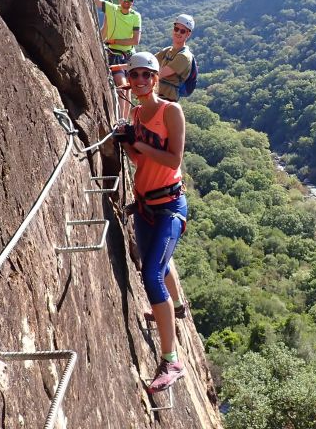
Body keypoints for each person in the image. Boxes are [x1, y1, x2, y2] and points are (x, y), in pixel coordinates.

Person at [114, 52, 188, 394]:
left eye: (146, 75)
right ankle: (175, 307)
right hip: (145, 206)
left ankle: (171, 360)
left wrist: (139, 140)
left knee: (151, 273)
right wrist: (128, 143)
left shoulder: (170, 112)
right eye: (135, 75)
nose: (141, 80)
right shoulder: (136, 113)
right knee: (155, 260)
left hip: (170, 205)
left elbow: (174, 157)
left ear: (156, 79)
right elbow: (140, 159)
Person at [89, 0, 141, 118]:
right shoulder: (112, 9)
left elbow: (135, 41)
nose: (126, 1)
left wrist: (115, 41)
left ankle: (124, 119)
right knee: (122, 84)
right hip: (115, 54)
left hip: (129, 55)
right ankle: (121, 120)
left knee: (128, 88)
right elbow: (97, 1)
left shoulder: (136, 16)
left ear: (133, 2)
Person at [155, 14, 195, 103]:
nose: (178, 33)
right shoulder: (168, 50)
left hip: (167, 101)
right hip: (156, 97)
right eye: (176, 29)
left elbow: (159, 74)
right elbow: (148, 62)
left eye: (182, 31)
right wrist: (119, 67)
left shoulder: (184, 56)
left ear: (188, 34)